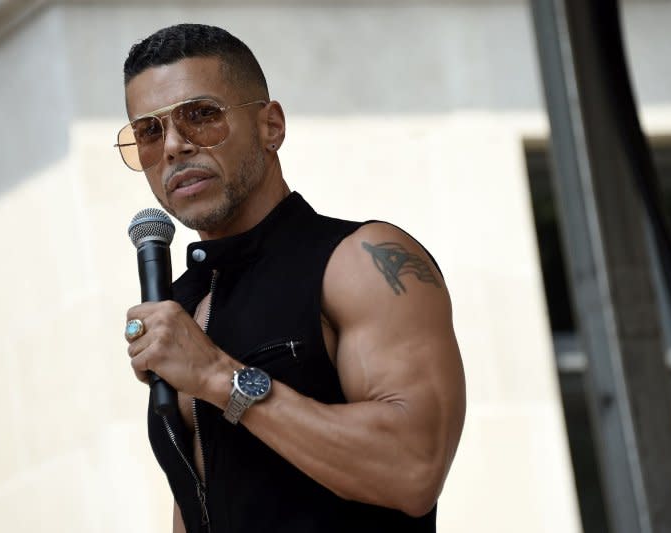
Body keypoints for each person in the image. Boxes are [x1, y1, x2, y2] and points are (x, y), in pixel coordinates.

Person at [119, 23, 465, 533]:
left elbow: (411, 470)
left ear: (270, 126)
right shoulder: (182, 306)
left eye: (200, 116)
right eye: (150, 132)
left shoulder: (362, 260)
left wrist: (218, 376)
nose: (173, 147)